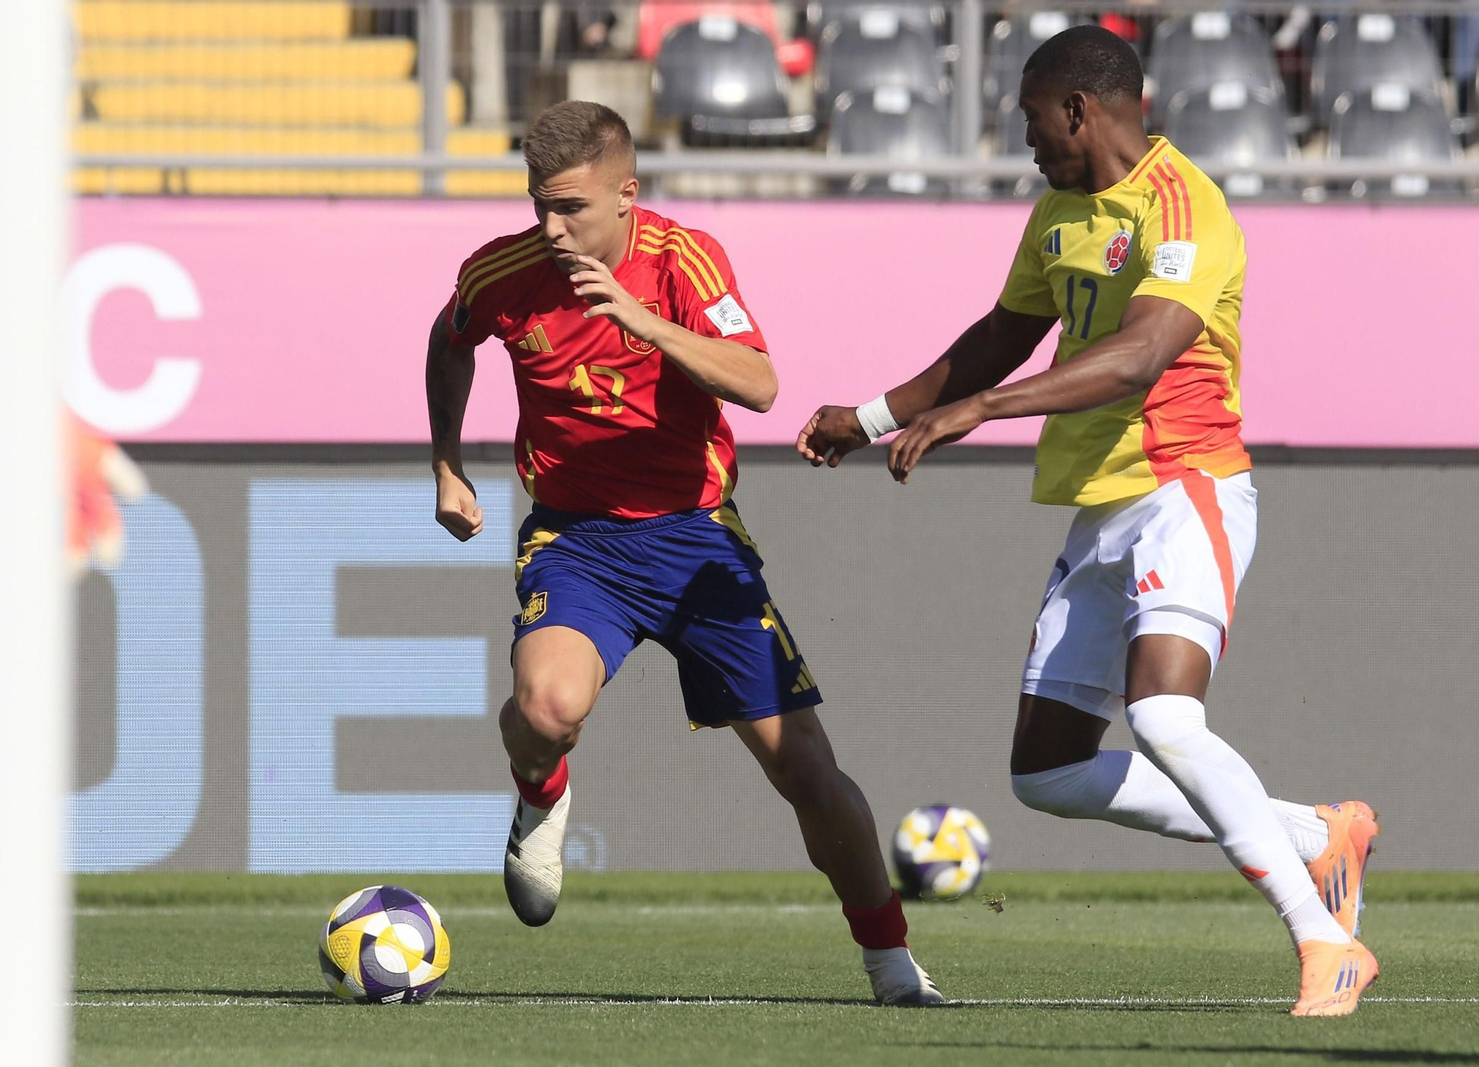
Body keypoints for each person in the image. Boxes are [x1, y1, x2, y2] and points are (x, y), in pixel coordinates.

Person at [797, 26, 1379, 1017]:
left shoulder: (1184, 205)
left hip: (1185, 486)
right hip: (1098, 508)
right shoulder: (1059, 213)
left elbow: (1141, 354)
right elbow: (997, 336)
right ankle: (1311, 830)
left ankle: (1324, 941)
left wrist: (978, 413)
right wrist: (872, 417)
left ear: (1080, 108)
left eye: (1032, 120)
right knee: (1047, 773)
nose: (1025, 141)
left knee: (1161, 714)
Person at [425, 100, 942, 1006]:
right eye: (540, 205)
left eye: (572, 209)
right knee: (544, 708)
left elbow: (761, 382)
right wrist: (447, 464)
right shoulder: (500, 272)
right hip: (576, 538)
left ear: (627, 194)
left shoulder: (683, 260)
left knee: (805, 770)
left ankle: (893, 964)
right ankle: (539, 791)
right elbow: (449, 338)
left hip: (695, 540)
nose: (552, 228)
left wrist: (641, 321)